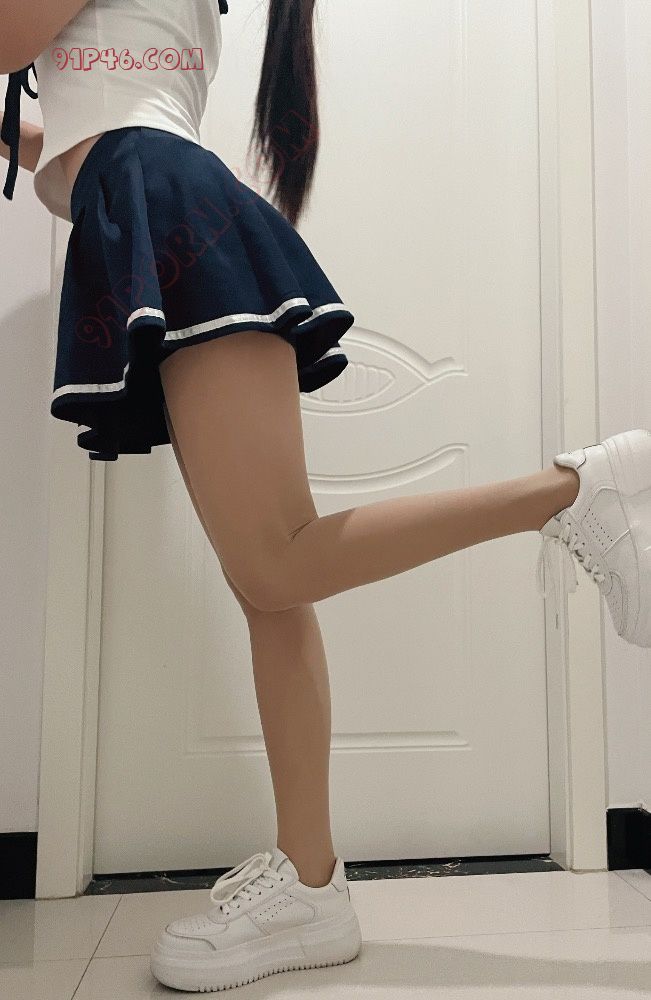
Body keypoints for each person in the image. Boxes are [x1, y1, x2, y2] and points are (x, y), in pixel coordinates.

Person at [2, 1, 650, 993]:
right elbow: (81, 114)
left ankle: (576, 491)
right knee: (270, 581)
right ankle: (309, 885)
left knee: (273, 561)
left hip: (163, 206)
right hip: (157, 201)